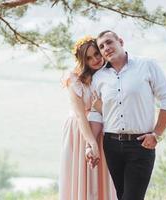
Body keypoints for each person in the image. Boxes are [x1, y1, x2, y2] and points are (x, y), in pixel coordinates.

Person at [92, 30, 166, 200]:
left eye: (109, 42)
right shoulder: (99, 77)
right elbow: (96, 112)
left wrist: (156, 134)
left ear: (120, 41)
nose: (106, 48)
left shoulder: (147, 65)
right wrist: (90, 144)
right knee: (122, 196)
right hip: (111, 145)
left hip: (141, 145)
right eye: (101, 47)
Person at [59, 36, 116, 200]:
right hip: (79, 131)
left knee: (103, 178)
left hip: (104, 130)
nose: (95, 60)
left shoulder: (111, 74)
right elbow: (79, 114)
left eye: (97, 54)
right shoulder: (74, 79)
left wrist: (101, 108)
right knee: (82, 175)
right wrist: (91, 142)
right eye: (89, 58)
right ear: (83, 61)